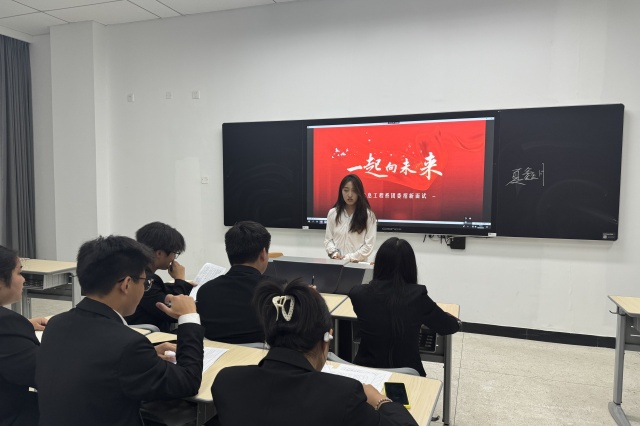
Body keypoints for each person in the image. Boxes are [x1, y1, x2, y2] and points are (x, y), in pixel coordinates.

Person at [36, 236, 204, 426]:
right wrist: (188, 317)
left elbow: (97, 358)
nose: (144, 289)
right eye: (145, 283)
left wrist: (147, 355)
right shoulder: (128, 345)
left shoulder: (57, 324)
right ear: (126, 284)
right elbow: (188, 382)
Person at [210, 279, 418, 426]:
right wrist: (381, 400)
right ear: (326, 339)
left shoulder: (226, 381)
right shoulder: (343, 395)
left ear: (269, 336)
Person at [349, 237, 461, 376]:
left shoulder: (358, 293)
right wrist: (456, 322)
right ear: (410, 266)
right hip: (407, 374)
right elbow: (448, 327)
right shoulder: (417, 296)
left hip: (365, 373)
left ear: (378, 264)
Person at [197, 221, 281, 344]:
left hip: (217, 355)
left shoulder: (205, 291)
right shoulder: (277, 289)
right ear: (263, 254)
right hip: (261, 354)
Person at [0, 246, 47, 426]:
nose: (24, 279)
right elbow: (43, 375)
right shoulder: (7, 323)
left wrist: (24, 325)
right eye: (19, 273)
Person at [124, 221, 196, 331]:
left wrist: (182, 284)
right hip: (151, 335)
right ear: (159, 254)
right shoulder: (144, 280)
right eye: (174, 253)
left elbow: (158, 292)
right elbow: (174, 312)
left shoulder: (133, 271)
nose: (174, 258)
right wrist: (179, 279)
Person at [324, 174, 377, 262]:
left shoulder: (369, 215)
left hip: (357, 265)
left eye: (354, 191)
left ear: (359, 192)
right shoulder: (333, 213)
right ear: (341, 191)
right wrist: (334, 254)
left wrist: (348, 258)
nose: (350, 195)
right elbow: (328, 240)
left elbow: (369, 245)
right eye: (346, 190)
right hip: (336, 263)